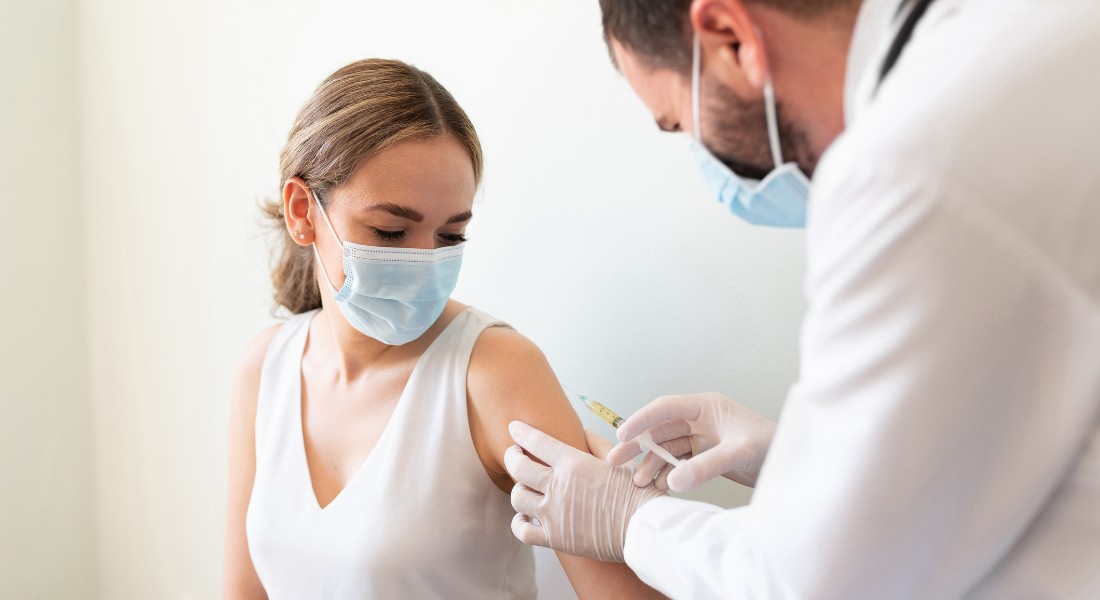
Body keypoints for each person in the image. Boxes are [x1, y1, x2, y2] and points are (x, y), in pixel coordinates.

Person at [504, 0, 1100, 597]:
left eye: (682, 124)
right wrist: (791, 454)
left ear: (729, 36)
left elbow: (817, 584)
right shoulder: (1038, 31)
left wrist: (632, 523)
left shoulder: (904, 172)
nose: (704, 161)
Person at [223, 58, 663, 599]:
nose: (423, 261)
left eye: (450, 237)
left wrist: (644, 529)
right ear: (301, 211)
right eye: (390, 231)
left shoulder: (496, 371)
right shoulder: (264, 369)